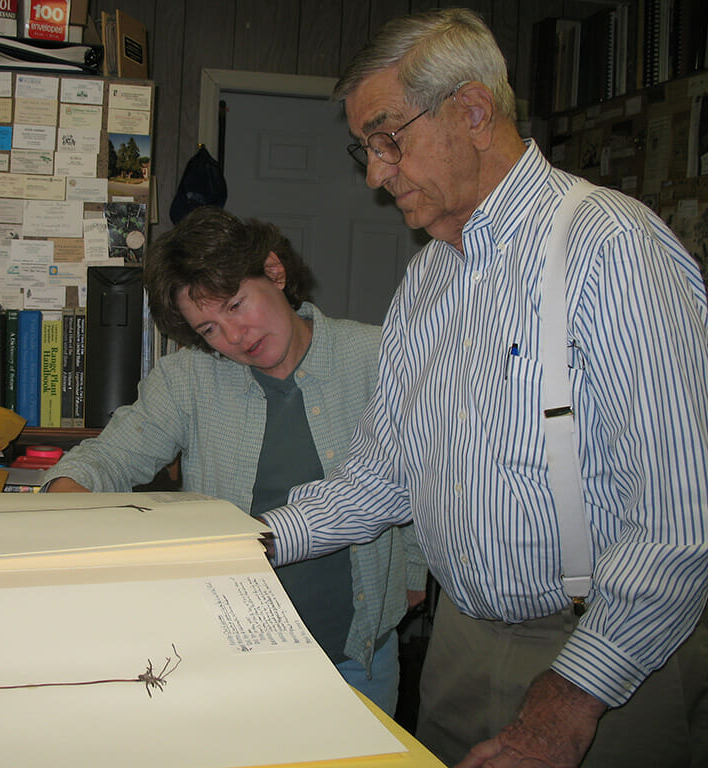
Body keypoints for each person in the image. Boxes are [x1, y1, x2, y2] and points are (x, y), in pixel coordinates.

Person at [257, 8, 708, 768]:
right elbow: (378, 480)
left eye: (387, 138)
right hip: (459, 650)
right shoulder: (429, 279)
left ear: (471, 110)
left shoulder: (613, 248)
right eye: (365, 147)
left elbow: (679, 522)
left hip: (612, 662)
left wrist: (569, 699)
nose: (374, 173)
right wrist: (253, 542)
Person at [43, 206, 428, 715]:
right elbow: (110, 455)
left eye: (235, 304)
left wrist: (415, 573)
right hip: (230, 656)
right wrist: (63, 492)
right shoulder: (188, 380)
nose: (233, 336)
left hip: (358, 658)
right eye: (208, 328)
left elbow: (426, 473)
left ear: (274, 272)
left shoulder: (378, 357)